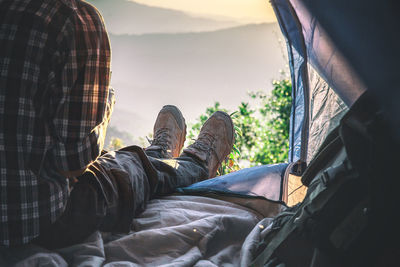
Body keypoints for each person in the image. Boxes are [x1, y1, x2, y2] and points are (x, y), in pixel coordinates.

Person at [0, 0, 234, 248]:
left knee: (114, 161)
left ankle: (158, 154)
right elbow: (73, 164)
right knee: (121, 172)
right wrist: (105, 107)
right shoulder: (75, 19)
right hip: (43, 223)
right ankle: (196, 163)